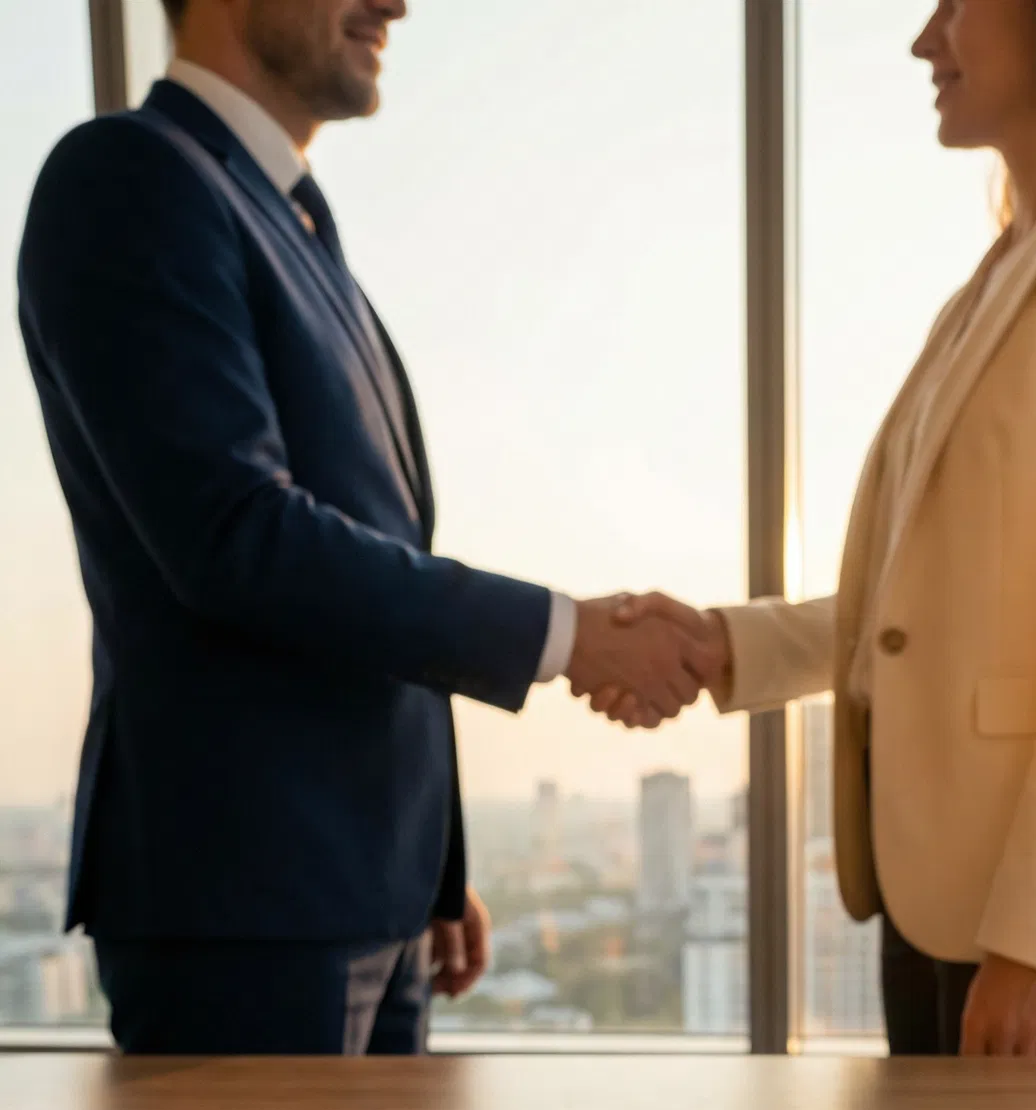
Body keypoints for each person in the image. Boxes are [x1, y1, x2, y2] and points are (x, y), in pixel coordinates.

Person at [18, 0, 717, 1056]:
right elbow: (240, 537)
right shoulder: (130, 177)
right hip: (241, 910)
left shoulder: (294, 218)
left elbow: (376, 557)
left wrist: (425, 869)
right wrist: (572, 636)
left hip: (365, 905)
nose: (396, 1)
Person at [606, 0, 1036, 1059]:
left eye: (958, 3)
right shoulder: (1011, 262)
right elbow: (932, 601)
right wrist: (727, 644)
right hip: (944, 892)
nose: (926, 39)